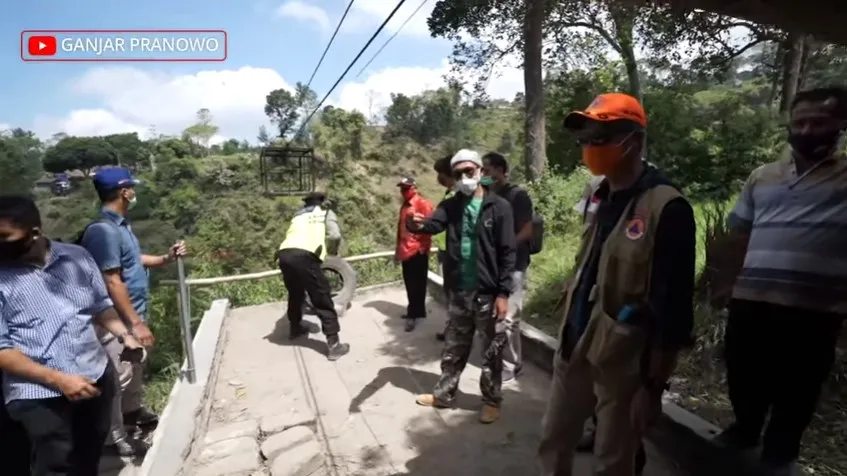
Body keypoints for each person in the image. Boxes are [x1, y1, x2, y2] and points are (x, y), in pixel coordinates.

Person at [536, 93, 695, 476]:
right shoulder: (598, 194)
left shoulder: (667, 208)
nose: (591, 148)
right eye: (586, 140)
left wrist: (653, 387)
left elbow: (673, 311)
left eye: (601, 138)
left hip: (625, 362)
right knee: (554, 440)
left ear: (634, 142)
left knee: (613, 460)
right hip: (575, 342)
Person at [712, 86, 847, 476]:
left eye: (818, 123)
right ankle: (745, 430)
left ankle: (781, 450)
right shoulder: (762, 177)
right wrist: (724, 282)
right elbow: (739, 232)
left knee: (799, 384)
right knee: (742, 371)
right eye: (799, 122)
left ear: (839, 126)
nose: (806, 130)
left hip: (816, 307)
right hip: (752, 297)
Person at [0, 195, 144, 476]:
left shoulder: (76, 257)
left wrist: (124, 334)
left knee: (88, 459)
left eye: (5, 237)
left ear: (35, 233)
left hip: (94, 377)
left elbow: (100, 305)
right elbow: (2, 349)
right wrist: (59, 380)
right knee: (55, 466)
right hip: (38, 394)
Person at [80, 167, 185, 456]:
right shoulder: (103, 231)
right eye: (132, 188)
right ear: (124, 192)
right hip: (116, 322)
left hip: (132, 315)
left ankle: (132, 416)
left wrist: (166, 258)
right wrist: (134, 325)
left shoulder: (120, 228)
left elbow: (133, 260)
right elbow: (112, 280)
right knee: (118, 377)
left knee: (133, 370)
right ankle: (113, 440)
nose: (134, 193)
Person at [406, 149, 516, 424]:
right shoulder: (452, 205)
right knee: (455, 346)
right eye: (459, 174)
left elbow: (508, 253)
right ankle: (444, 394)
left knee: (491, 349)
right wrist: (415, 224)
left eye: (470, 171)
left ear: (480, 171)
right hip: (459, 290)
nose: (465, 177)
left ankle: (491, 400)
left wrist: (503, 293)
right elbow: (433, 225)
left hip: (488, 292)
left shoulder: (499, 207)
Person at [277, 191, 350, 361]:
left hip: (284, 255)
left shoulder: (297, 216)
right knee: (322, 297)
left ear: (306, 203)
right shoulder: (325, 213)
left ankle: (295, 328)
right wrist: (332, 251)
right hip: (305, 257)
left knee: (295, 293)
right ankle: (334, 345)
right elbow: (335, 235)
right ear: (322, 202)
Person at [481, 152, 534, 383]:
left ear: (501, 171)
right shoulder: (486, 196)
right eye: (481, 170)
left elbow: (527, 230)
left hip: (514, 266)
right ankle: (497, 359)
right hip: (492, 266)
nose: (484, 175)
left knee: (508, 317)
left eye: (488, 170)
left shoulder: (517, 195)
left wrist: (506, 247)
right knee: (494, 315)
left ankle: (512, 366)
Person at [394, 177, 434, 332]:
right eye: (402, 189)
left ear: (414, 188)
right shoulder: (404, 206)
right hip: (405, 249)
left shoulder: (423, 204)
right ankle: (415, 311)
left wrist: (423, 248)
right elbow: (400, 229)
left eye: (406, 188)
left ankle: (414, 314)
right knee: (409, 282)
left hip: (418, 250)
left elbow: (429, 228)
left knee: (417, 283)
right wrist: (398, 249)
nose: (403, 192)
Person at [432, 156, 457, 342]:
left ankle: (456, 333)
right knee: (449, 294)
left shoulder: (456, 197)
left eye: (439, 174)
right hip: (444, 250)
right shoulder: (449, 194)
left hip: (453, 253)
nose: (437, 179)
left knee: (454, 296)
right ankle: (450, 329)